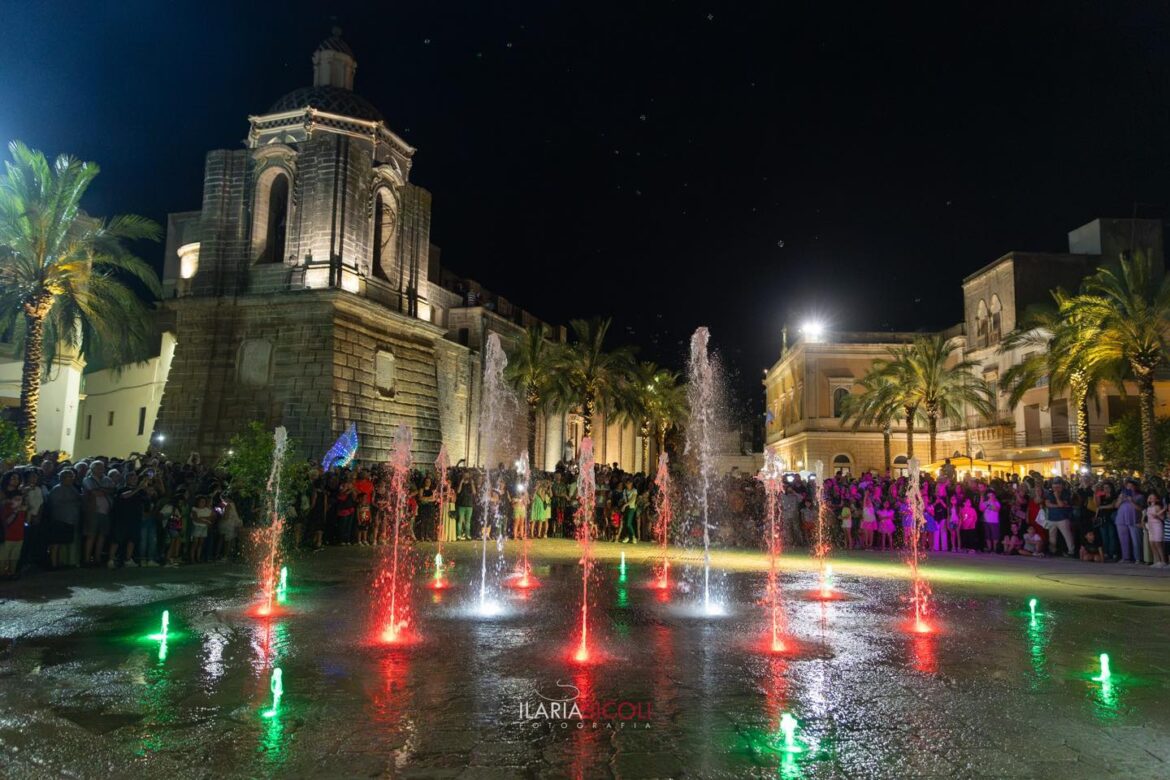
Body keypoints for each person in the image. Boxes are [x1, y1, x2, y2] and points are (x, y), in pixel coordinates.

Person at [46, 469, 83, 568]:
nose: (71, 479)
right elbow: (54, 504)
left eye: (72, 477)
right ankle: (56, 563)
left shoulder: (72, 488)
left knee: (68, 542)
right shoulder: (57, 489)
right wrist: (72, 502)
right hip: (60, 520)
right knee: (58, 543)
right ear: (62, 478)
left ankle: (67, 562)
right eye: (69, 477)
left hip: (71, 520)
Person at [1, 471, 27, 577]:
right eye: (13, 478)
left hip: (17, 527)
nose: (15, 481)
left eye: (17, 478)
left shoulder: (19, 492)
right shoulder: (2, 492)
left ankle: (11, 573)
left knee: (14, 554)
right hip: (3, 525)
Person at [1044, 479, 1076, 557]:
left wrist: (1057, 497)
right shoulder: (1050, 493)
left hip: (1063, 518)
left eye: (1058, 486)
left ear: (1062, 485)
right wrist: (1058, 506)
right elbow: (1047, 504)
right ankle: (1052, 551)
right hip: (1052, 518)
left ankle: (1071, 551)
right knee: (1052, 537)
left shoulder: (1066, 493)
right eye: (1054, 486)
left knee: (1067, 536)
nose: (1056, 488)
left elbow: (1061, 503)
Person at [1114, 479, 1144, 564]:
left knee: (1136, 540)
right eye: (1128, 486)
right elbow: (1116, 506)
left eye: (1131, 486)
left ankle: (1138, 558)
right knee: (1123, 539)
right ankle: (1126, 557)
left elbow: (1141, 508)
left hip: (1134, 519)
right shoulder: (1122, 495)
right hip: (1121, 519)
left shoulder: (1140, 496)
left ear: (1135, 487)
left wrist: (1131, 500)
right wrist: (1120, 499)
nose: (1129, 488)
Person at [189, 495, 213, 563]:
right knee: (195, 543)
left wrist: (202, 518)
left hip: (204, 527)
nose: (203, 503)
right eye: (201, 502)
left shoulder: (207, 510)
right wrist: (206, 520)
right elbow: (196, 519)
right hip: (197, 527)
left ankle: (198, 558)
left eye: (204, 502)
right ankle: (192, 558)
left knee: (201, 543)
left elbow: (211, 517)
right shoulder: (194, 509)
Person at [1145, 491, 1166, 568]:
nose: (1150, 498)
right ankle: (1157, 561)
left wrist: (1157, 516)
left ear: (1156, 499)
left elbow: (1163, 518)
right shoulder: (1148, 507)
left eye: (1152, 497)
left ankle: (1163, 561)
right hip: (1150, 527)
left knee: (1158, 544)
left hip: (1157, 525)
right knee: (1152, 544)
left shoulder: (1157, 507)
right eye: (1149, 497)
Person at [456, 470, 477, 541]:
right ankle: (459, 535)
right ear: (463, 476)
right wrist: (461, 482)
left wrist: (472, 484)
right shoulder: (461, 483)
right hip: (461, 505)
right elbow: (458, 491)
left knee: (468, 521)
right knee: (460, 521)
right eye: (465, 475)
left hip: (469, 505)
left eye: (467, 475)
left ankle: (468, 535)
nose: (466, 476)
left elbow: (474, 492)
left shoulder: (471, 484)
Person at [619, 479, 638, 544]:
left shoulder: (634, 490)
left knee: (628, 523)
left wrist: (624, 505)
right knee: (626, 523)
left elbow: (633, 500)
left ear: (632, 483)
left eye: (629, 483)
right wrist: (623, 505)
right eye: (627, 483)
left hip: (631, 508)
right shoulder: (624, 491)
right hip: (626, 508)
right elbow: (624, 499)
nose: (628, 485)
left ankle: (633, 537)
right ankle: (628, 537)